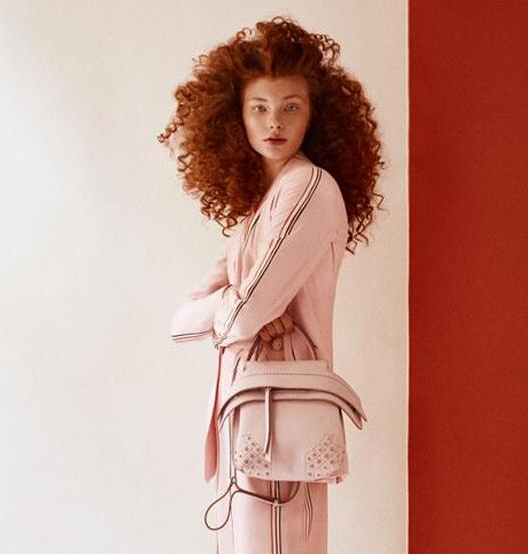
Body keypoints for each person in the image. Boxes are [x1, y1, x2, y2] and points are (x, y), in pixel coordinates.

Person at [159, 15, 385, 554]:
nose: (274, 122)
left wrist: (241, 311)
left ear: (315, 115)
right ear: (236, 116)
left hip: (277, 418)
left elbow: (239, 317)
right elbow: (183, 321)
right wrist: (240, 307)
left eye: (291, 107)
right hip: (248, 417)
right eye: (258, 107)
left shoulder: (307, 187)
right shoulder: (255, 211)